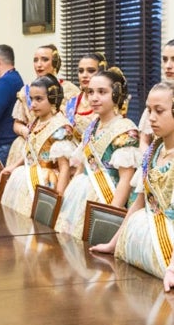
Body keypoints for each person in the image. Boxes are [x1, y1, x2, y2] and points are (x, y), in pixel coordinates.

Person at [91, 80, 174, 290]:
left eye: (159, 111)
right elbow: (139, 202)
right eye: (148, 110)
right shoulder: (153, 150)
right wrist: (113, 243)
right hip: (144, 243)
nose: (151, 118)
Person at [56, 67, 140, 238]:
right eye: (90, 92)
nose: (94, 98)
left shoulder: (125, 129)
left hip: (107, 197)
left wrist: (110, 216)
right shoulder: (93, 126)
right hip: (81, 194)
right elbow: (83, 166)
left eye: (102, 92)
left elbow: (126, 179)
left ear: (116, 95)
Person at [1, 74, 76, 217]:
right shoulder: (36, 121)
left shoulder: (60, 127)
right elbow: (30, 154)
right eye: (31, 99)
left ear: (53, 99)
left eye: (39, 99)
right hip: (28, 176)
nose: (33, 104)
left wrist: (58, 199)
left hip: (47, 182)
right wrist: (13, 167)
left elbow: (64, 167)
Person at [7, 43, 78, 166]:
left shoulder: (70, 90)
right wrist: (24, 131)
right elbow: (17, 123)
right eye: (36, 60)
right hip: (29, 142)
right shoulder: (26, 91)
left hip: (57, 142)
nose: (39, 64)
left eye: (45, 59)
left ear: (55, 62)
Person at [64, 52, 108, 141]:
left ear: (101, 72)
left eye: (91, 71)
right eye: (81, 71)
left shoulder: (107, 102)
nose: (84, 75)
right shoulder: (71, 102)